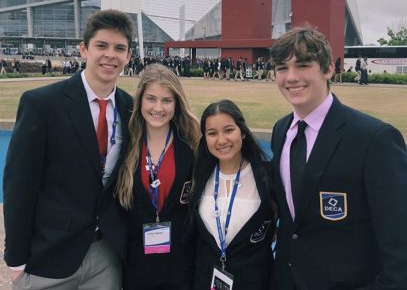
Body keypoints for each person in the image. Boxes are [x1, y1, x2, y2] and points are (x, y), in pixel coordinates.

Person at [3, 9, 134, 290]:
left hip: (105, 257)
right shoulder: (42, 105)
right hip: (49, 256)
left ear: (128, 57)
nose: (110, 55)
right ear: (84, 49)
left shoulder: (131, 108)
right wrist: (15, 261)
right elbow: (19, 185)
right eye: (102, 45)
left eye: (119, 48)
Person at [269, 27, 407, 290]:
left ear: (328, 69)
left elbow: (400, 245)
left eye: (303, 65)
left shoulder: (374, 139)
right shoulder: (280, 131)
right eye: (282, 68)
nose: (291, 77)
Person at [117, 63, 200, 290]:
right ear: (140, 101)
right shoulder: (125, 146)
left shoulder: (192, 146)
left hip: (180, 266)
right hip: (137, 266)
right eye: (151, 99)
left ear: (177, 103)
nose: (158, 108)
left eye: (167, 100)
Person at [190, 99, 276, 290]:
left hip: (254, 282)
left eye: (229, 130)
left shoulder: (268, 176)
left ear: (242, 132)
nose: (221, 140)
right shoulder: (197, 175)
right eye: (212, 133)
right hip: (205, 281)